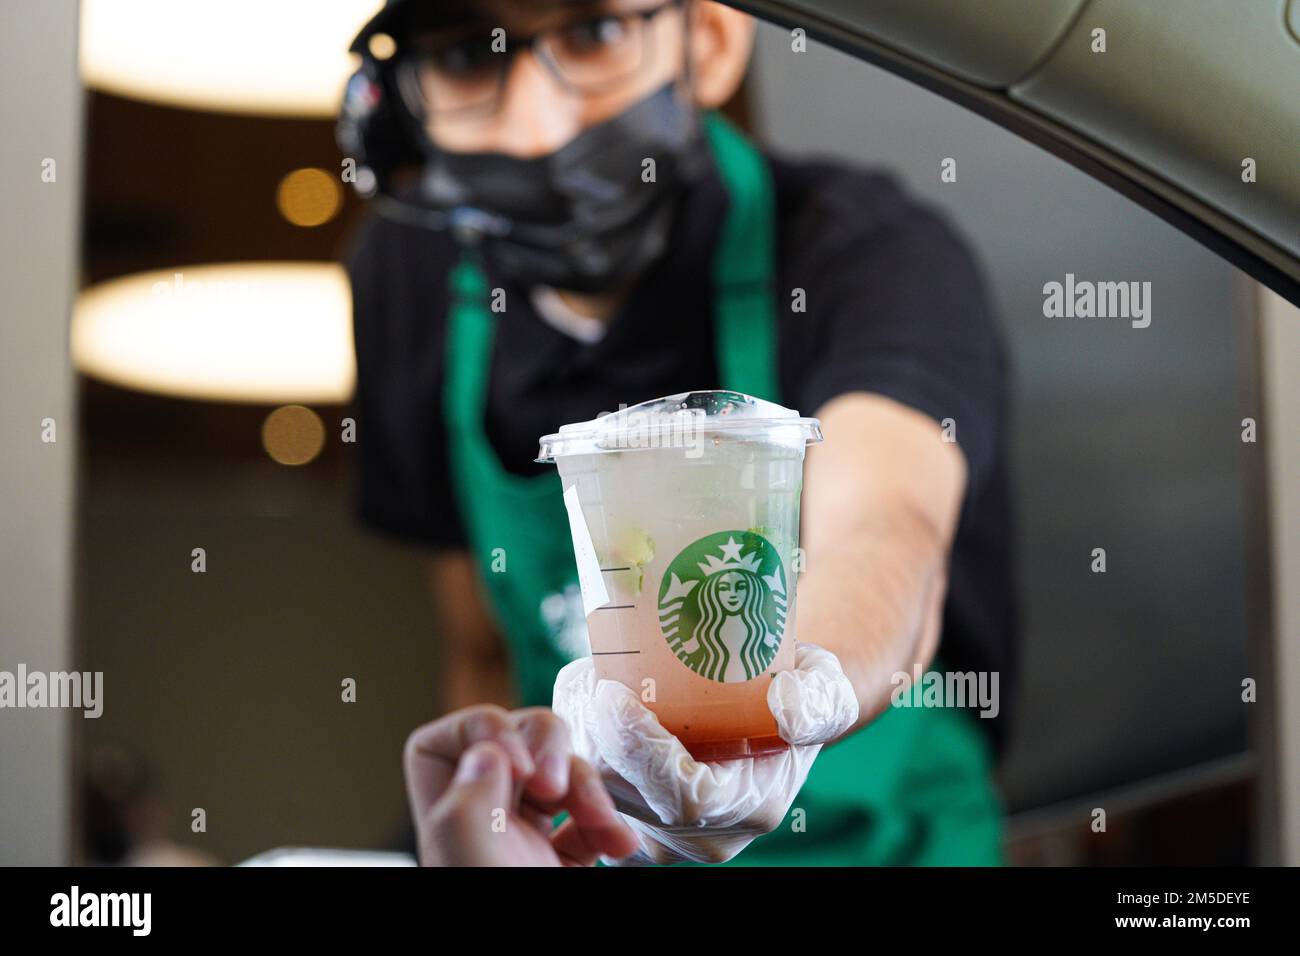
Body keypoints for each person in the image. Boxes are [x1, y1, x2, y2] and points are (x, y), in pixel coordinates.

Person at [341, 0, 1015, 865]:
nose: (542, 124)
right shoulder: (409, 282)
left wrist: (792, 707)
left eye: (596, 32)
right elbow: (478, 641)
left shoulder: (865, 252)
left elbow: (889, 532)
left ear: (710, 39)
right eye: (471, 53)